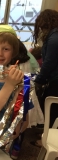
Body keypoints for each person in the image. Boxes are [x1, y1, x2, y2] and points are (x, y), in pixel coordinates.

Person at [31, 9, 58, 147]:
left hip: (56, 81)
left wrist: (38, 80)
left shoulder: (54, 38)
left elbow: (48, 63)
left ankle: (45, 140)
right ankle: (47, 132)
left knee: (51, 108)